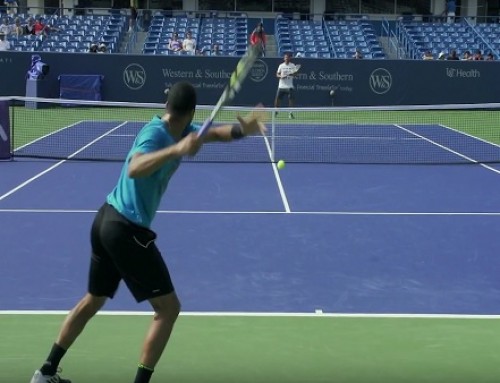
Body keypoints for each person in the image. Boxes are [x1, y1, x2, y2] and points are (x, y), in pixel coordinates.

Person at [29, 81, 266, 383]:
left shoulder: (179, 126)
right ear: (192, 110)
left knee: (94, 299)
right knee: (168, 309)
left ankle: (45, 371)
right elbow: (135, 167)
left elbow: (212, 133)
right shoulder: (156, 134)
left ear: (168, 106)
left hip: (105, 219)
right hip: (125, 230)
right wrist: (176, 149)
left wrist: (241, 131)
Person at [274, 52, 299, 119]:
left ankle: (290, 113)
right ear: (284, 58)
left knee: (291, 100)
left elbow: (296, 74)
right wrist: (280, 76)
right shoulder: (281, 66)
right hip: (281, 86)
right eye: (285, 57)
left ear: (290, 58)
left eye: (288, 57)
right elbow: (277, 74)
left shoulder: (292, 65)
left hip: (289, 86)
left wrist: (291, 74)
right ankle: (276, 112)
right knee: (277, 100)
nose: (286, 58)